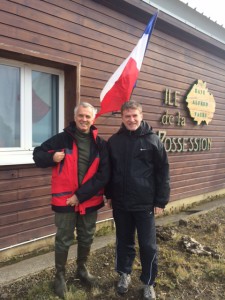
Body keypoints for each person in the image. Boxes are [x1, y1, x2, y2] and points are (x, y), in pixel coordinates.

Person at [33, 102, 110, 299]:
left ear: (93, 119)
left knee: (87, 236)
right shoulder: (61, 139)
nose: (84, 119)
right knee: (64, 239)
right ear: (75, 117)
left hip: (89, 200)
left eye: (88, 116)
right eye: (81, 116)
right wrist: (52, 158)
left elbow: (103, 175)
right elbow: (37, 154)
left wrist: (80, 196)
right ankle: (59, 276)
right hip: (65, 201)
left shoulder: (100, 144)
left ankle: (81, 270)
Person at [105, 100, 170, 300]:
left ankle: (148, 282)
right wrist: (109, 195)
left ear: (141, 116)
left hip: (145, 204)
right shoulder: (114, 142)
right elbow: (109, 171)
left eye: (135, 115)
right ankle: (124, 274)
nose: (131, 119)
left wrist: (161, 201)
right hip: (121, 204)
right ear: (122, 118)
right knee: (123, 242)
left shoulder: (153, 140)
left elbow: (163, 172)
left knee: (148, 245)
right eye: (127, 116)